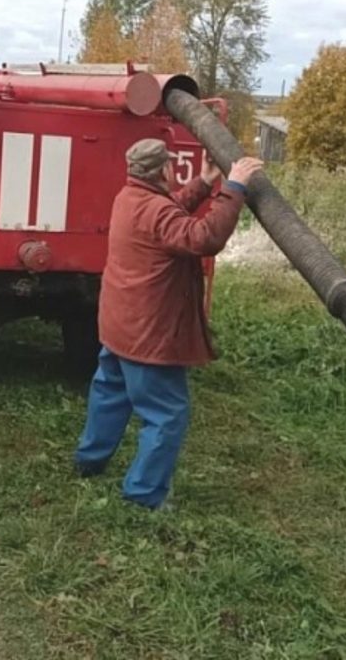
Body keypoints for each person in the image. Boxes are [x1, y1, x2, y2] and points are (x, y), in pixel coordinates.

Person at [74, 137, 264, 510]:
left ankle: (90, 460)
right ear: (163, 170)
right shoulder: (154, 211)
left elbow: (168, 212)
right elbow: (204, 238)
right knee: (166, 413)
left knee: (110, 393)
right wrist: (234, 187)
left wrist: (205, 181)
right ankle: (144, 495)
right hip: (149, 333)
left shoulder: (128, 199)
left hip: (119, 325)